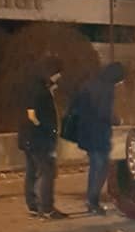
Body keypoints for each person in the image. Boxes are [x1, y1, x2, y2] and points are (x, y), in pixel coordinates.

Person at [74, 62, 126, 215]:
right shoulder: (106, 89)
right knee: (101, 168)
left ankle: (91, 200)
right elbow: (104, 113)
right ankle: (93, 201)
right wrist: (117, 120)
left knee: (95, 167)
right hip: (98, 134)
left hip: (87, 133)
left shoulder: (90, 84)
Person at [18, 55, 66, 220]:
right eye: (57, 74)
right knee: (47, 172)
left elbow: (29, 114)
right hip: (39, 140)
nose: (58, 78)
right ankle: (47, 209)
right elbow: (35, 116)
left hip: (28, 139)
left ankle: (33, 205)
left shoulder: (31, 87)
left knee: (32, 171)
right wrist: (48, 132)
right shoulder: (41, 92)